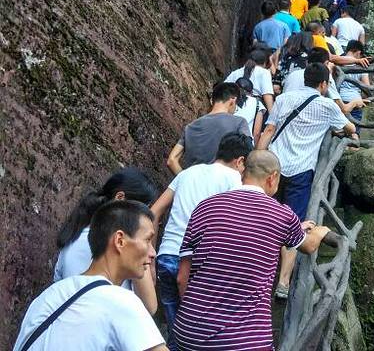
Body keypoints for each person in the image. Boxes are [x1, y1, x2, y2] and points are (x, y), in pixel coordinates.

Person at [174, 150, 332, 351]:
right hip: (243, 340)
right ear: (272, 177)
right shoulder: (282, 215)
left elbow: (182, 277)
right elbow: (309, 245)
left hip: (188, 332)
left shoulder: (205, 207)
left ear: (243, 173)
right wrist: (321, 231)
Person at [257, 63, 356, 298]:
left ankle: (257, 272)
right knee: (293, 224)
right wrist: (344, 131)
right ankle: (283, 283)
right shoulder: (327, 105)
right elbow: (349, 126)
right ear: (323, 84)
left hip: (273, 167)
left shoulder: (284, 99)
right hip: (301, 171)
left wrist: (257, 158)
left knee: (263, 217)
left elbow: (269, 131)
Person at [14, 200, 167, 351]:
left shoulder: (48, 295)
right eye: (148, 240)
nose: (153, 253)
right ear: (119, 241)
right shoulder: (121, 301)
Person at [152, 133, 253, 350]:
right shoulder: (234, 179)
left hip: (166, 255)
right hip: (196, 262)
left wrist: (150, 257)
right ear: (240, 161)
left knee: (176, 332)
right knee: (197, 335)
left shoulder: (187, 173)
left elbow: (154, 212)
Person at [54, 168, 158, 315]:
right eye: (143, 209)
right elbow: (150, 306)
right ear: (120, 198)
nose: (145, 217)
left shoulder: (80, 235)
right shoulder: (97, 243)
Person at [167, 82, 250, 175]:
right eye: (236, 107)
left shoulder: (190, 127)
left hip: (194, 180)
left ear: (212, 101)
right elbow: (249, 153)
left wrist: (186, 179)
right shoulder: (239, 122)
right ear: (232, 101)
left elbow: (171, 160)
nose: (235, 110)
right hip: (221, 181)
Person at [284, 48, 367, 116]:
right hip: (307, 120)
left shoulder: (293, 75)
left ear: (307, 62)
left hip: (286, 117)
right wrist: (355, 102)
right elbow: (343, 109)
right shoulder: (324, 77)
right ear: (326, 63)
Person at [338, 40, 370, 132]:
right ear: (358, 52)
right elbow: (367, 88)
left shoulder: (338, 62)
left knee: (339, 131)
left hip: (340, 102)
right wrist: (364, 100)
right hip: (355, 101)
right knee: (354, 132)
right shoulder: (362, 66)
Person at [233, 77, 266, 143]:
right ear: (251, 92)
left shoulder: (228, 99)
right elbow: (256, 133)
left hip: (227, 141)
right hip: (245, 143)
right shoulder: (257, 103)